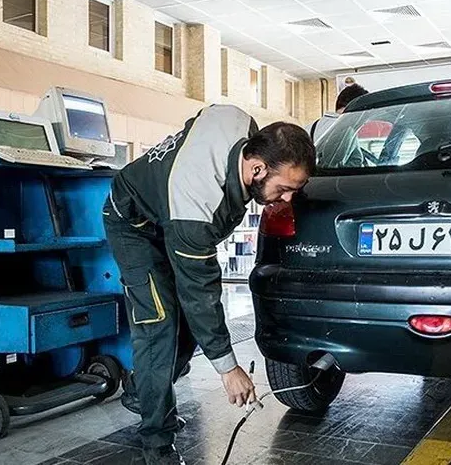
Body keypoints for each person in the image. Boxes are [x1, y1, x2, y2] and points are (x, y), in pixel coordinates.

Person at [102, 105, 315, 465]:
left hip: (173, 216)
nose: (287, 199)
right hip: (136, 227)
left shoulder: (238, 121)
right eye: (284, 189)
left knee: (188, 327)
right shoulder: (198, 202)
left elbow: (202, 118)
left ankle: (143, 390)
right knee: (159, 327)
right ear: (257, 168)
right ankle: (157, 445)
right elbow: (200, 294)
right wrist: (229, 370)